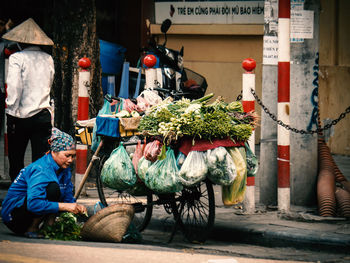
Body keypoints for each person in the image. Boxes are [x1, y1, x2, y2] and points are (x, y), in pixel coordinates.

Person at [1, 127, 87, 238]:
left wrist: (75, 207)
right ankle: (33, 227)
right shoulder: (41, 169)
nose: (70, 160)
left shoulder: (64, 169)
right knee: (53, 189)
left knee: (57, 191)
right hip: (13, 217)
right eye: (67, 155)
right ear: (54, 152)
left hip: (26, 210)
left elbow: (67, 196)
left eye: (73, 156)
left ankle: (47, 227)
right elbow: (33, 204)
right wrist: (65, 206)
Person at [2, 18, 54, 181]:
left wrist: (11, 110)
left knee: (16, 161)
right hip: (43, 114)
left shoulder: (17, 58)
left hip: (20, 116)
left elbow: (15, 87)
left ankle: (18, 196)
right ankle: (36, 194)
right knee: (40, 162)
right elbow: (50, 83)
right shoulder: (48, 58)